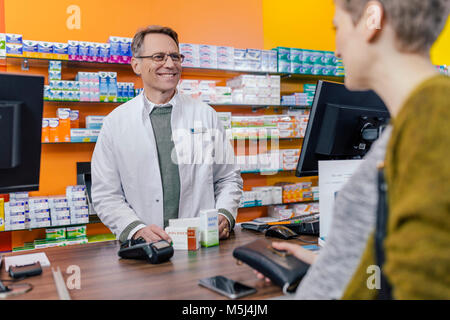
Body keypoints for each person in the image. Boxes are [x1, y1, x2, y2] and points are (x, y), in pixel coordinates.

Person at [255, 0, 450, 300]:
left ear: (372, 19)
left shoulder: (433, 121)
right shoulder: (412, 122)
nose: (336, 49)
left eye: (337, 27)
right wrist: (327, 263)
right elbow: (390, 262)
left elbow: (423, 287)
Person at [91, 25, 243, 245]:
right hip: (146, 250)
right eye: (158, 57)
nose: (170, 64)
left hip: (201, 243)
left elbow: (228, 178)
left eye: (175, 56)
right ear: (136, 65)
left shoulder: (205, 115)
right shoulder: (115, 123)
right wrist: (135, 229)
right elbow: (106, 193)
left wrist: (224, 214)